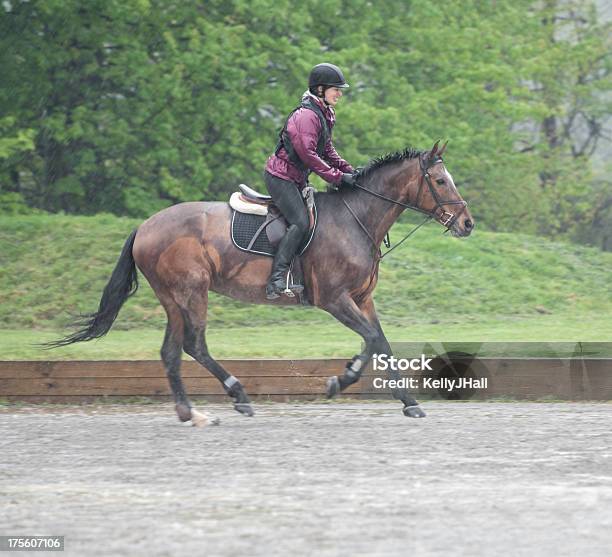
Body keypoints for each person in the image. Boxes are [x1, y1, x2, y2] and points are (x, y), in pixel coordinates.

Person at [264, 62, 356, 299]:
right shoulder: (305, 116)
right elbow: (309, 155)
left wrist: (350, 171)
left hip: (296, 179)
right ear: (319, 90)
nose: (340, 93)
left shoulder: (325, 113)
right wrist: (337, 177)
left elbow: (327, 151)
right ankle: (276, 278)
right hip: (281, 178)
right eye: (336, 89)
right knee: (301, 222)